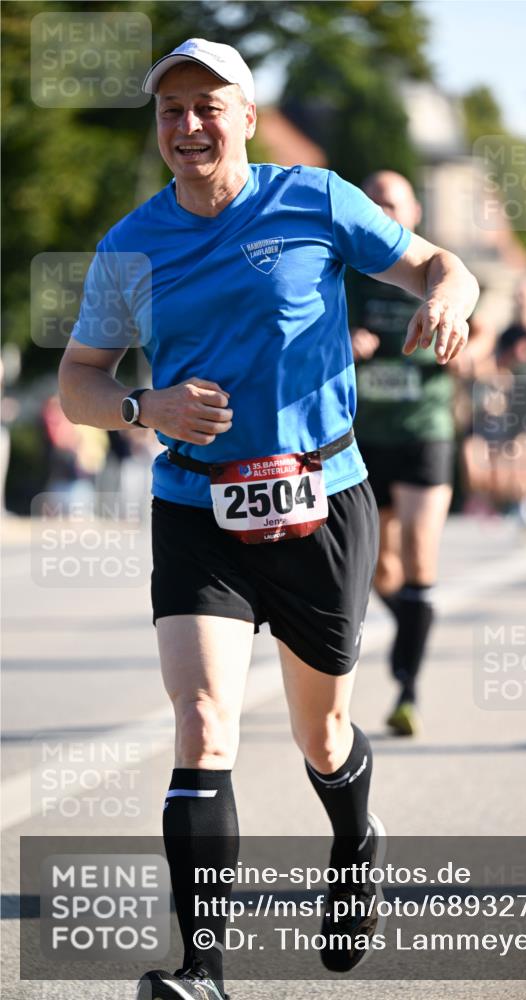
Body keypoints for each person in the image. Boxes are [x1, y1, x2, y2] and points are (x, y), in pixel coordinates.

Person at [58, 39, 478, 1000]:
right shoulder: (132, 245)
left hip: (319, 499)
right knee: (202, 722)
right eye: (171, 111)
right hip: (195, 502)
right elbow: (83, 379)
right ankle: (202, 970)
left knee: (320, 735)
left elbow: (436, 266)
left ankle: (354, 838)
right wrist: (144, 409)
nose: (188, 126)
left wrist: (453, 296)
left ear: (247, 115)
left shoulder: (316, 200)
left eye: (208, 107)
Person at [349, 171, 460, 736]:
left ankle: (408, 685)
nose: (382, 211)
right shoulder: (349, 271)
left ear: (414, 210)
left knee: (418, 553)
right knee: (377, 566)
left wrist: (461, 342)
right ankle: (410, 624)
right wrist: (346, 344)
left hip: (424, 430)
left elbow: (479, 326)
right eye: (372, 202)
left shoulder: (430, 268)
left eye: (392, 202)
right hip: (364, 437)